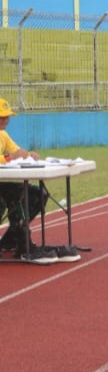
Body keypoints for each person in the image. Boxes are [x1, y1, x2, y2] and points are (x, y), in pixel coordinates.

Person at [0, 98, 61, 264]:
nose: (6, 120)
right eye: (2, 117)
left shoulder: (3, 135)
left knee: (38, 195)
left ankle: (12, 239)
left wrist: (29, 154)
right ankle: (23, 244)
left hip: (4, 182)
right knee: (17, 194)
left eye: (7, 116)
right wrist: (9, 157)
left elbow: (17, 151)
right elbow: (9, 156)